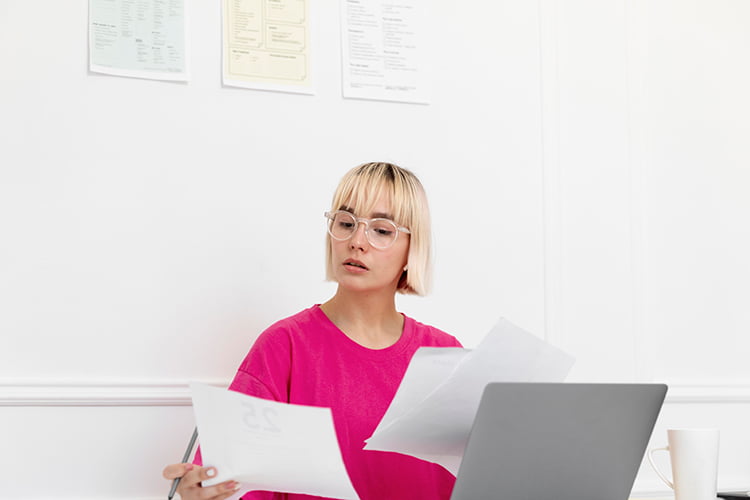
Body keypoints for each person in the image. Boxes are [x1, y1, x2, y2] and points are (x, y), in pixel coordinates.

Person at [163, 162, 462, 500]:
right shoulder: (284, 346)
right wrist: (202, 494)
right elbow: (227, 481)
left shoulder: (446, 355)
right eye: (346, 223)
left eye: (381, 230)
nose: (356, 241)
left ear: (413, 248)